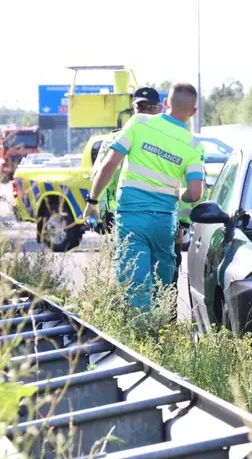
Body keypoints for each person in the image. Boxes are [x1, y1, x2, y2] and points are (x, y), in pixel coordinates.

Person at [83, 82, 205, 309]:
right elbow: (196, 193)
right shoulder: (194, 145)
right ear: (193, 112)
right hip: (165, 222)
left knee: (135, 287)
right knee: (162, 288)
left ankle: (137, 339)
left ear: (166, 103)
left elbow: (109, 166)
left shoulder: (139, 123)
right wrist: (178, 194)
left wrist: (92, 202)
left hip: (132, 219)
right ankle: (157, 337)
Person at [93, 87, 163, 230]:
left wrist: (183, 220)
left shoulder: (169, 139)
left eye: (150, 107)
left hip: (161, 216)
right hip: (123, 216)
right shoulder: (114, 140)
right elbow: (103, 175)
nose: (145, 112)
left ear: (160, 108)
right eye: (140, 108)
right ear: (133, 108)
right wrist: (105, 213)